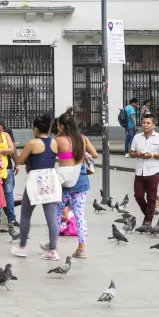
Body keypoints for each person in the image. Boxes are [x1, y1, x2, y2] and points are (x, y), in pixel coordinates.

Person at [13, 113, 61, 261]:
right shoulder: (54, 142)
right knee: (51, 218)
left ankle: (22, 247)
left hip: (36, 180)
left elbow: (20, 160)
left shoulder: (32, 143)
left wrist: (14, 153)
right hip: (51, 179)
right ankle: (53, 250)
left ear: (35, 129)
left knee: (26, 214)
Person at [52, 108, 98, 259]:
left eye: (58, 125)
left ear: (62, 126)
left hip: (64, 181)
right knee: (79, 215)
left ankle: (52, 246)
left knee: (57, 213)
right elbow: (95, 154)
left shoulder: (58, 140)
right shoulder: (82, 139)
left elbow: (50, 156)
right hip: (81, 180)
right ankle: (82, 248)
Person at [129, 113, 159, 232]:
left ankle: (148, 221)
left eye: (148, 123)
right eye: (144, 123)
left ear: (154, 125)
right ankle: (149, 214)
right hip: (140, 171)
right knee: (138, 196)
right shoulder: (137, 137)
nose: (145, 125)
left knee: (151, 197)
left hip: (153, 171)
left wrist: (151, 155)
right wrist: (138, 154)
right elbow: (131, 153)